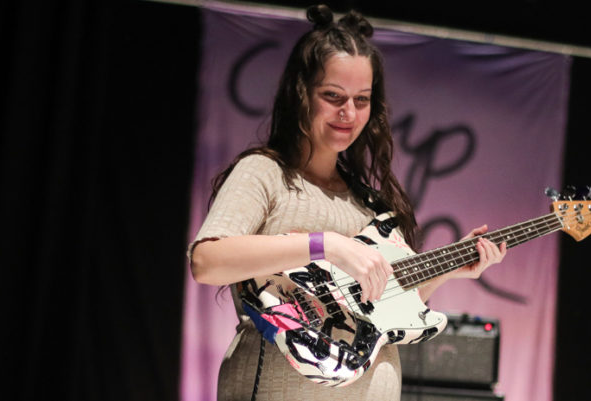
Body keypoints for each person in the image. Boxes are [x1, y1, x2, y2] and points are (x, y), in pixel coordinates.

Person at [188, 5, 507, 400]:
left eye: (362, 99)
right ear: (300, 93)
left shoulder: (367, 203)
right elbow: (206, 261)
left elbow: (380, 307)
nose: (349, 113)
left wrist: (452, 268)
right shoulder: (265, 173)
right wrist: (326, 245)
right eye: (333, 96)